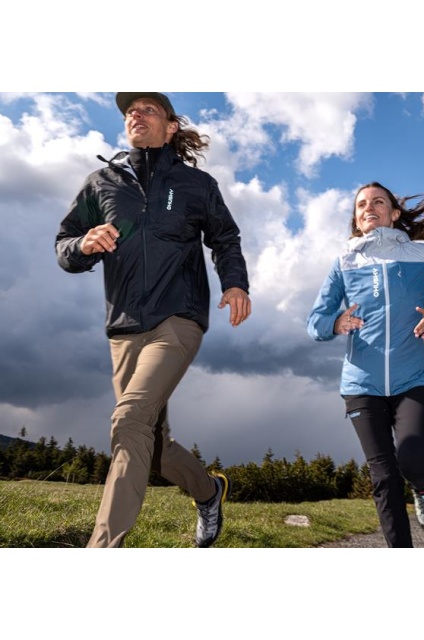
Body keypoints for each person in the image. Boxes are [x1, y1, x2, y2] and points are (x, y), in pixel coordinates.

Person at [55, 92, 251, 548]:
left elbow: (225, 239)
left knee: (129, 422)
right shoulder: (101, 183)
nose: (135, 115)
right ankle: (208, 490)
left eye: (147, 109)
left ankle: (103, 548)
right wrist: (83, 245)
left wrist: (235, 284)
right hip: (123, 328)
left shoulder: (196, 185)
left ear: (170, 126)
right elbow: (64, 244)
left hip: (178, 319)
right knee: (152, 445)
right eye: (130, 111)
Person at [307, 181, 424, 548]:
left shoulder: (422, 256)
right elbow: (315, 321)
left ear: (393, 213)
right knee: (383, 477)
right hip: (361, 385)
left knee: (413, 460)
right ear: (356, 219)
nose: (369, 207)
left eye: (378, 201)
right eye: (361, 204)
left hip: (414, 378)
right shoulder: (343, 263)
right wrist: (334, 323)